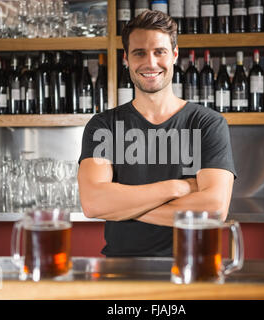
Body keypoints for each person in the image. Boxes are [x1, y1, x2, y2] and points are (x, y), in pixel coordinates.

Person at [78, 10, 237, 257]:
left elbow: (214, 209)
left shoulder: (207, 123)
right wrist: (178, 187)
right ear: (127, 59)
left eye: (159, 52)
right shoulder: (104, 126)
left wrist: (123, 206)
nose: (150, 63)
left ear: (174, 55)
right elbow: (93, 203)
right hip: (121, 271)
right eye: (139, 53)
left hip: (192, 270)